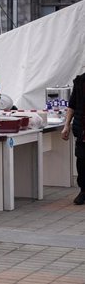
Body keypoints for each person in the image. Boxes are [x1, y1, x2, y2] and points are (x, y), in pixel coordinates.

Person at [61, 71, 85, 205]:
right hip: (82, 128)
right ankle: (83, 190)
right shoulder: (80, 81)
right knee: (81, 162)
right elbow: (72, 105)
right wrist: (66, 125)